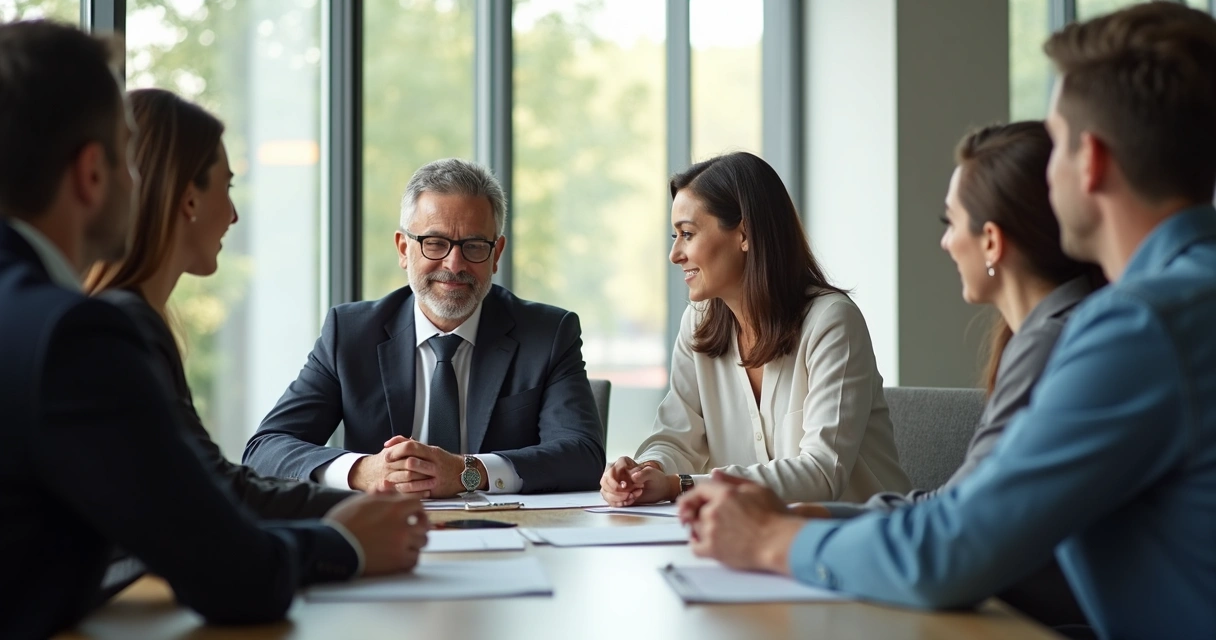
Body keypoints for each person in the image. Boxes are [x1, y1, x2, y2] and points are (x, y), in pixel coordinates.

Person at [678, 5, 1216, 638]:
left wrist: (772, 540)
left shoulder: (1138, 330)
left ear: (1090, 161)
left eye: (1056, 147)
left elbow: (953, 552)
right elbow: (969, 514)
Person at [0, 20, 428, 640]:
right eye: (128, 159)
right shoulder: (71, 337)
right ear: (93, 172)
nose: (138, 181)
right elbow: (229, 572)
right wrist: (344, 543)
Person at [789, 121, 1101, 632]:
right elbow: (960, 502)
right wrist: (823, 515)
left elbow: (960, 533)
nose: (945, 242)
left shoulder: (1053, 344)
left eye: (950, 222)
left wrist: (786, 541)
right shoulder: (1048, 335)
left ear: (993, 242)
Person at [243, 158, 605, 497]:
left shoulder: (549, 333)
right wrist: (363, 471)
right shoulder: (350, 333)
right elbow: (266, 449)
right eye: (434, 243)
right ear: (404, 248)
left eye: (475, 246)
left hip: (511, 534)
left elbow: (583, 455)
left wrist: (469, 471)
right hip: (382, 532)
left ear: (496, 254)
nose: (454, 263)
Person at [83, 87, 356, 519]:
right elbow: (208, 492)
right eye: (226, 187)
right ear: (189, 197)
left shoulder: (127, 320)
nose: (233, 215)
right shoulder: (124, 327)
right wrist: (362, 511)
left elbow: (205, 481)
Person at [600, 152, 910, 507]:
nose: (675, 253)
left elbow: (822, 472)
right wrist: (646, 471)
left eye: (687, 234)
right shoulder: (698, 322)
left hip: (858, 542)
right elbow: (676, 436)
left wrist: (680, 485)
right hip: (752, 543)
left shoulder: (832, 322)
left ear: (744, 233)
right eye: (675, 235)